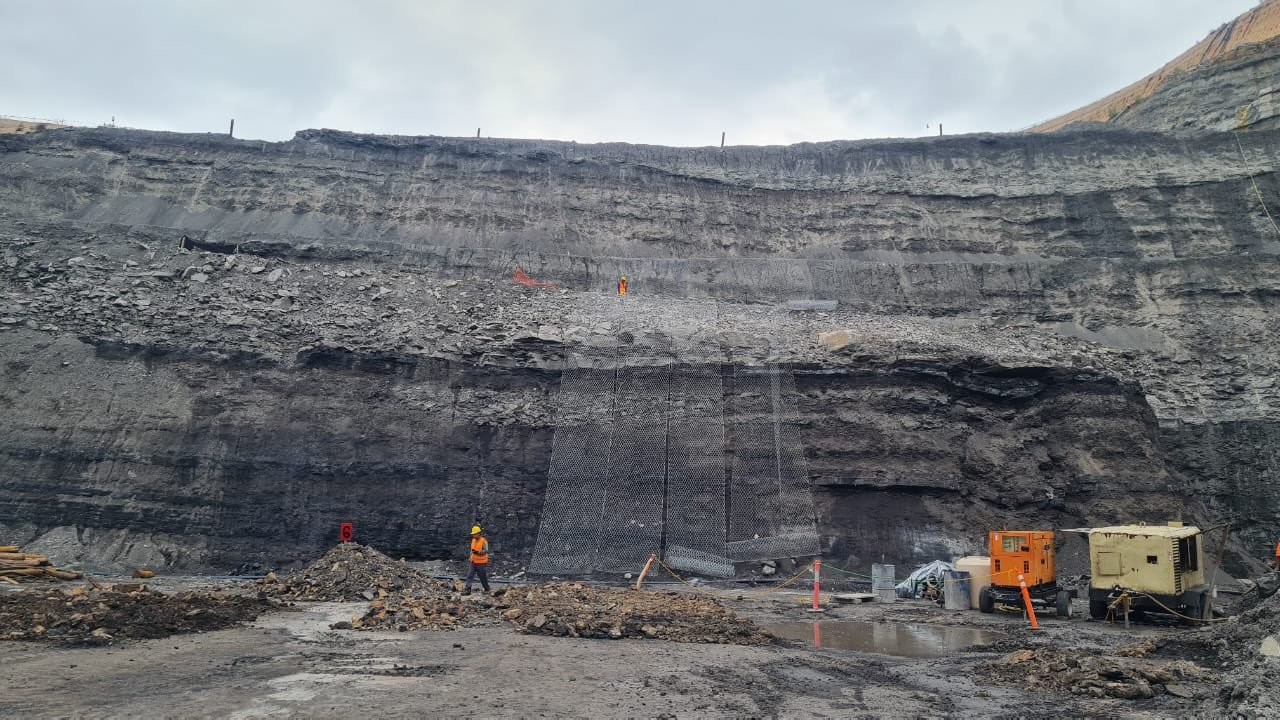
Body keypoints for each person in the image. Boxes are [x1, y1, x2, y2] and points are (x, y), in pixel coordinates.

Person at [464, 525, 491, 594]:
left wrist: (478, 552)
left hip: (481, 563)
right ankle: (467, 590)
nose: (473, 535)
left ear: (479, 533)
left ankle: (487, 589)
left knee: (482, 577)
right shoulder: (473, 540)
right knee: (469, 575)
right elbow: (472, 550)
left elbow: (486, 550)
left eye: (475, 534)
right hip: (473, 562)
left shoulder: (483, 541)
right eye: (473, 534)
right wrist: (470, 557)